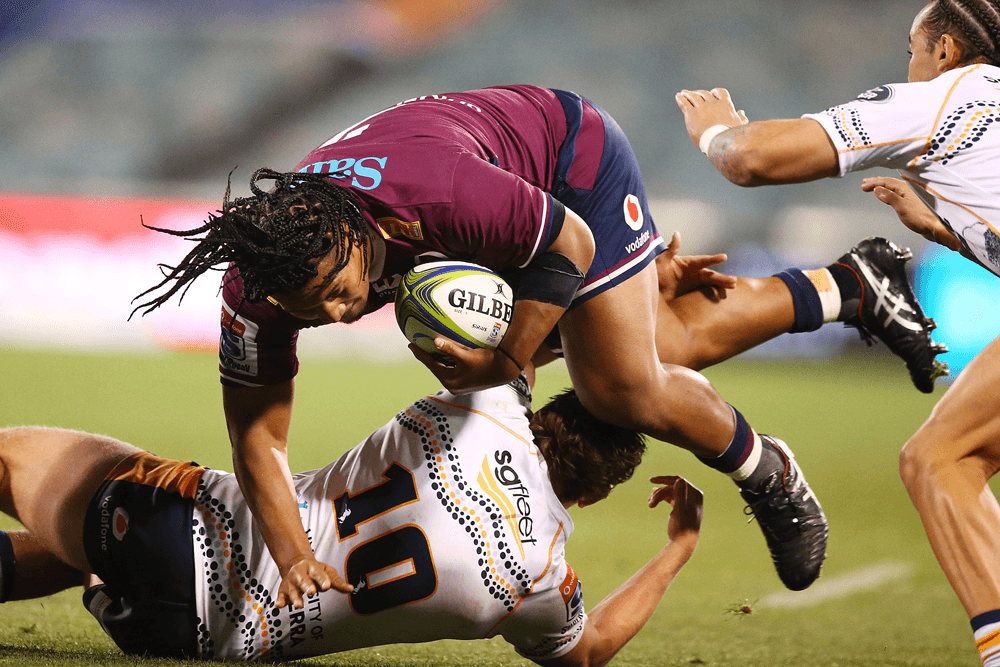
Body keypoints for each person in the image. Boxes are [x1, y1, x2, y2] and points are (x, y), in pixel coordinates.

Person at [131, 84, 940, 603]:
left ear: (354, 232)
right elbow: (258, 439)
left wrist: (504, 363)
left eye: (342, 291)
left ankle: (768, 470)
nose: (342, 315)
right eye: (316, 311)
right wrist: (292, 553)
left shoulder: (434, 194)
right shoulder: (256, 290)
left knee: (617, 387)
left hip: (565, 163)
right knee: (641, 343)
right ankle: (852, 287)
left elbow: (573, 246)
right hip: (480, 220)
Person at [674, 1, 1000, 663]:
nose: (908, 64)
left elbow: (753, 160)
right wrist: (939, 229)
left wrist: (718, 134)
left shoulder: (943, 96)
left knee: (943, 459)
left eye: (913, 48)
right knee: (941, 454)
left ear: (944, 50)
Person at [0, 370, 705, 664]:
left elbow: (524, 324)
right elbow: (590, 649)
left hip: (178, 532)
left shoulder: (484, 409)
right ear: (593, 495)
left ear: (551, 407)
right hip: (183, 638)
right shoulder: (546, 577)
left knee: (8, 462)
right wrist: (678, 546)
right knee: (73, 549)